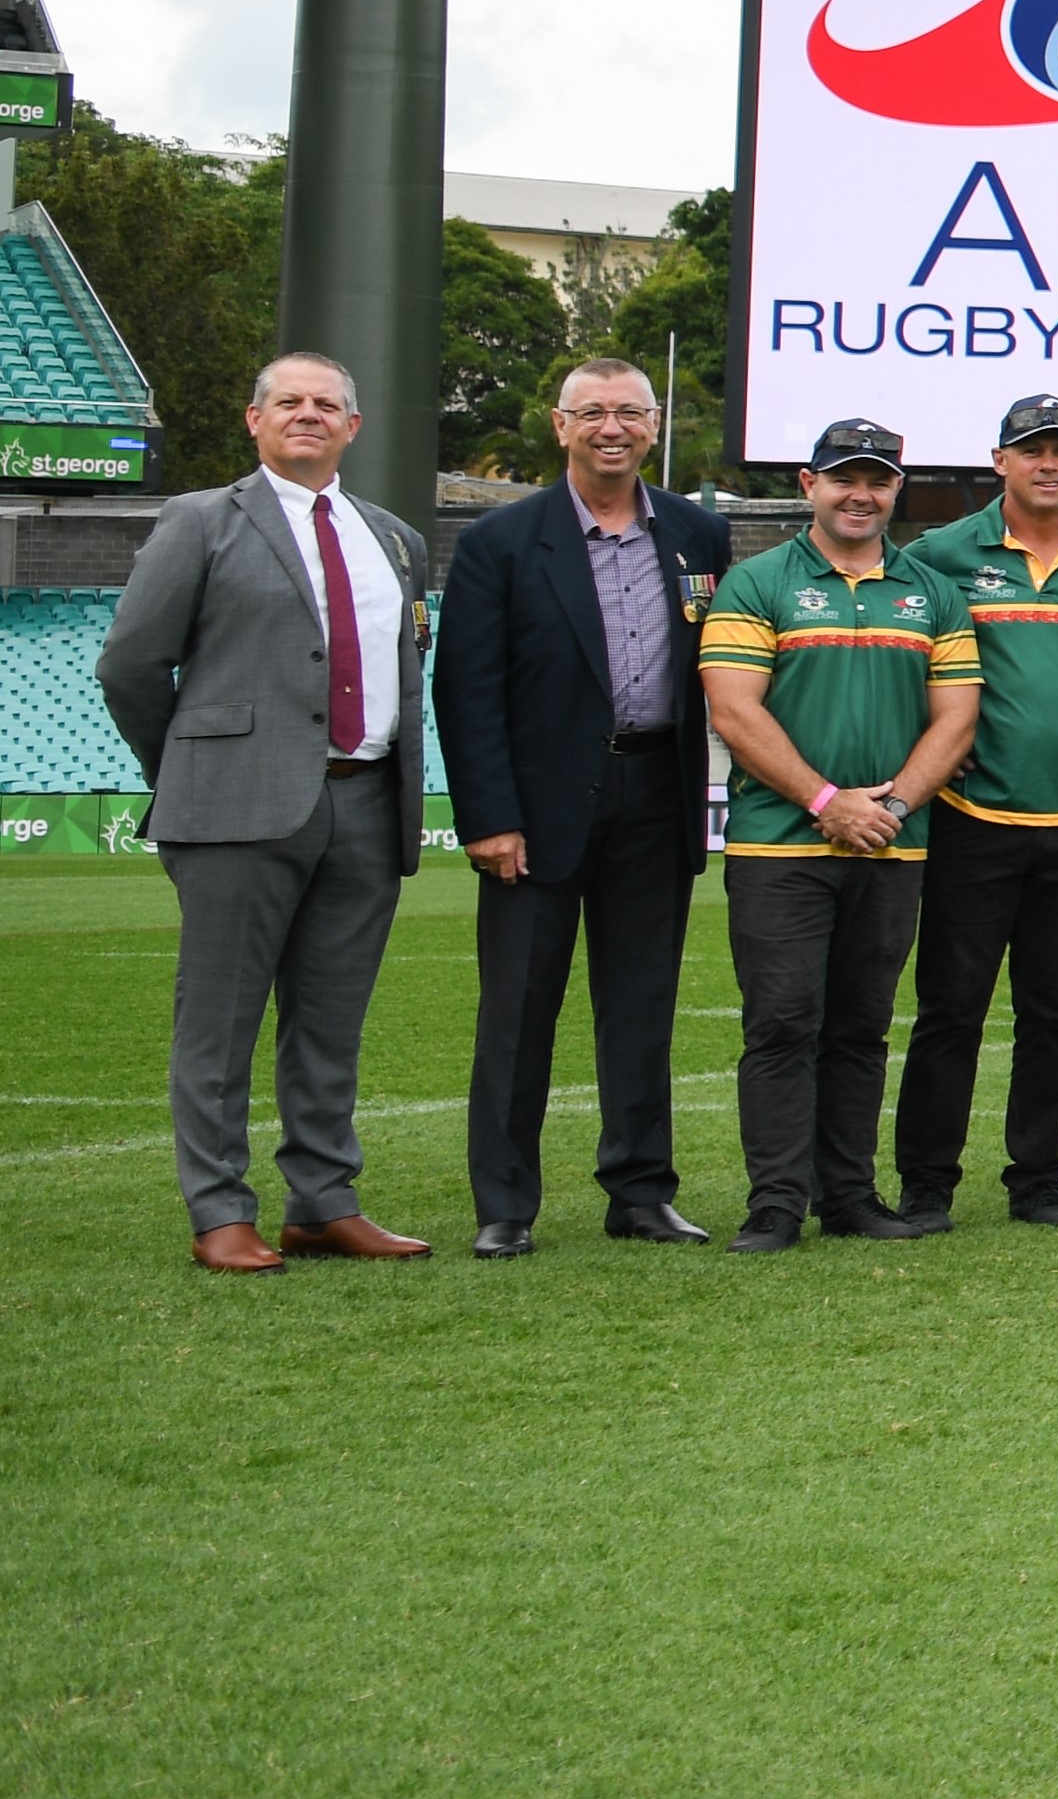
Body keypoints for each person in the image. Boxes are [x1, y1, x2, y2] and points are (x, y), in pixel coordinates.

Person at [108, 347, 443, 1272]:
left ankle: (322, 1201)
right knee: (219, 1020)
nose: (307, 413)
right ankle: (219, 1209)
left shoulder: (394, 538)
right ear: (253, 420)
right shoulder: (199, 521)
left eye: (326, 403)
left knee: (332, 1020)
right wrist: (192, 769)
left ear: (353, 427)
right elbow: (130, 666)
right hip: (235, 811)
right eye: (286, 401)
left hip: (367, 803)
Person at [440, 352, 732, 1252]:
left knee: (641, 1008)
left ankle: (640, 1191)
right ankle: (505, 1205)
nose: (613, 427)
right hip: (537, 806)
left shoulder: (697, 535)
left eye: (630, 413)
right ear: (559, 424)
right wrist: (489, 816)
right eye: (593, 411)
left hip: (656, 792)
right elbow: (466, 690)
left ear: (653, 427)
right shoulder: (500, 541)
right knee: (519, 1011)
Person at [693, 416, 986, 1249]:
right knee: (783, 1020)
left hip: (890, 844)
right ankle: (776, 1203)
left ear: (897, 488)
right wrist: (828, 802)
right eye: (844, 478)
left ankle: (850, 1196)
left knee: (861, 1024)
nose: (861, 494)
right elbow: (733, 709)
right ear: (807, 485)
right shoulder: (755, 584)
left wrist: (889, 808)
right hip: (778, 844)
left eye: (879, 480)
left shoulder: (930, 590)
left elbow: (956, 716)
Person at [888, 390, 1058, 1234]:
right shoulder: (941, 553)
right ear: (1000, 461)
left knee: (1050, 1015)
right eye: (1032, 449)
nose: (1048, 463)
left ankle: (1037, 1180)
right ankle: (926, 1182)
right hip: (970, 815)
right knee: (950, 1009)